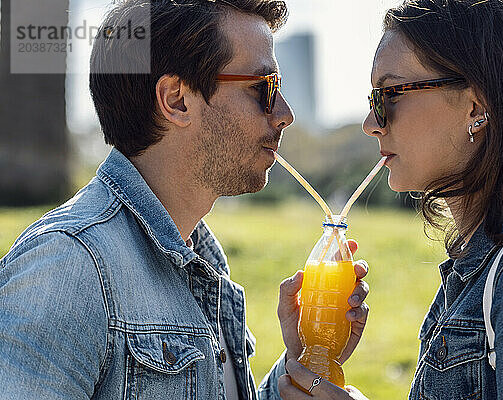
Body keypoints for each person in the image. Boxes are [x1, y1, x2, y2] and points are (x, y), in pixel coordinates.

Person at [0, 1, 370, 399]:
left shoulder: (204, 257)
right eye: (263, 88)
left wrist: (298, 370)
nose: (284, 114)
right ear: (176, 100)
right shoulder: (68, 267)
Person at [278, 0, 503, 399]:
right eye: (373, 99)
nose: (371, 123)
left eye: (391, 94)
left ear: (476, 107)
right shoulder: (478, 268)